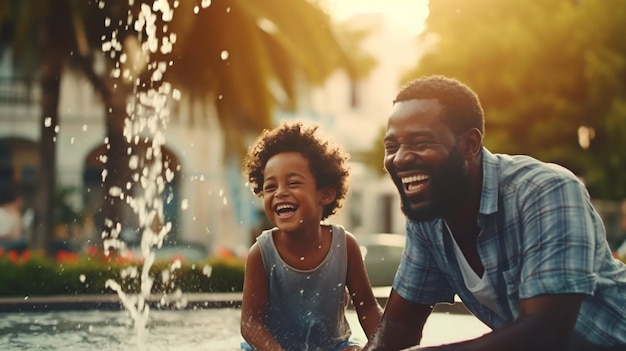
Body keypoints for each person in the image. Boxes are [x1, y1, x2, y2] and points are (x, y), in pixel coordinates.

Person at [365, 75, 626, 351]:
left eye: (421, 143)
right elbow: (399, 326)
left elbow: (546, 332)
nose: (401, 158)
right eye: (392, 147)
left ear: (469, 145)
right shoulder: (429, 216)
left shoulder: (545, 191)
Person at [240, 121, 383, 351]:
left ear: (325, 194)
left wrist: (382, 346)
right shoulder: (262, 252)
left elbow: (367, 309)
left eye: (293, 183)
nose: (280, 193)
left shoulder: (345, 246)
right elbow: (250, 323)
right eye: (270, 186)